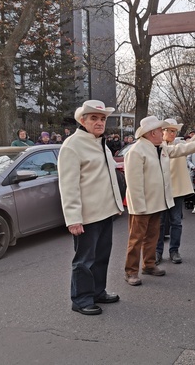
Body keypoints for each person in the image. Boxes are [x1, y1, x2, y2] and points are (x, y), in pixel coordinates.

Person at [58, 100, 124, 316]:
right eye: (94, 118)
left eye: (102, 118)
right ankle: (81, 299)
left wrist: (116, 204)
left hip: (105, 212)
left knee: (102, 256)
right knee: (84, 261)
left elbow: (109, 178)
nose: (99, 122)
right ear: (82, 120)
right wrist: (73, 218)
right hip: (86, 216)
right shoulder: (72, 145)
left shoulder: (100, 143)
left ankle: (97, 291)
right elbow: (69, 186)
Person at [123, 116, 195, 286]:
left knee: (152, 236)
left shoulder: (159, 147)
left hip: (156, 203)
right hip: (142, 205)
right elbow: (134, 183)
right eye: (161, 130)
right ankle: (131, 272)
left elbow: (180, 150)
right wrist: (139, 207)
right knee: (136, 239)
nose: (163, 133)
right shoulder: (136, 151)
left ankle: (149, 265)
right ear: (152, 133)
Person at [156, 119, 193, 265]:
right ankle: (157, 251)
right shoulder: (156, 147)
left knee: (176, 222)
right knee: (159, 223)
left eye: (174, 131)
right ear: (162, 131)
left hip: (176, 191)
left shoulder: (179, 146)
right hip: (160, 191)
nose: (172, 133)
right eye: (169, 130)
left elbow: (191, 144)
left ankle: (174, 251)